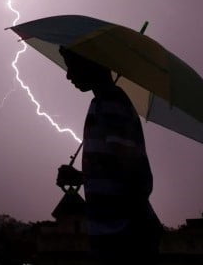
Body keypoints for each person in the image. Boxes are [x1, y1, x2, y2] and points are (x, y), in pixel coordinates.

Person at [56, 46, 163, 264]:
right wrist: (79, 177)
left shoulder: (112, 104)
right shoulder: (100, 104)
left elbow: (132, 173)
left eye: (72, 67)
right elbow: (112, 169)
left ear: (92, 64)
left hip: (124, 239)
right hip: (110, 237)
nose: (68, 75)